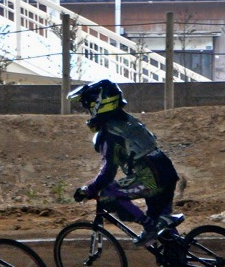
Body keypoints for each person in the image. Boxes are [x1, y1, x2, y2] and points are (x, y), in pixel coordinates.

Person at [67, 79, 183, 246]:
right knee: (163, 229)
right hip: (166, 171)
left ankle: (149, 226)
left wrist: (90, 189)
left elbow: (108, 171)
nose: (89, 112)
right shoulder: (128, 121)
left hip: (151, 177)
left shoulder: (110, 132)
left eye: (90, 106)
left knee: (109, 194)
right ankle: (179, 261)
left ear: (100, 103)